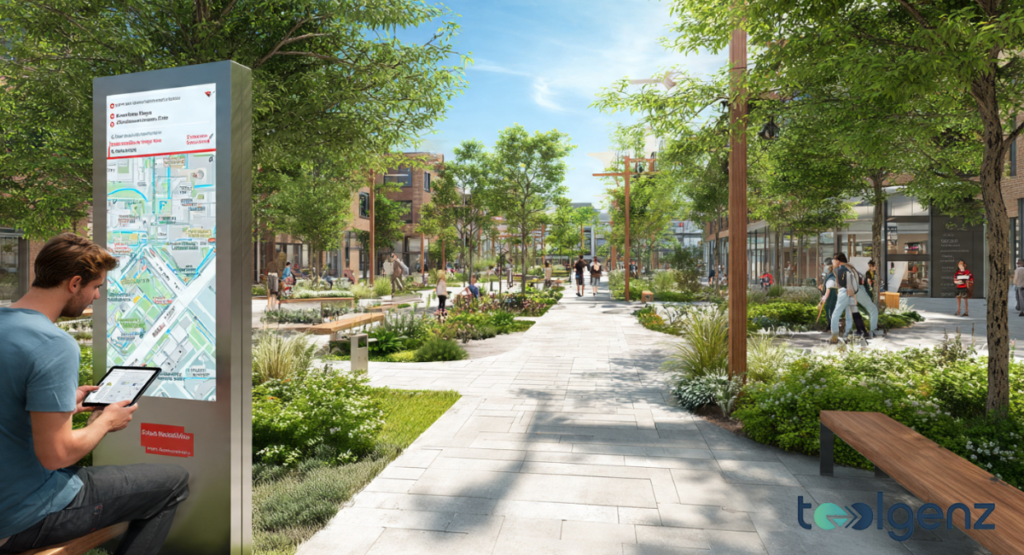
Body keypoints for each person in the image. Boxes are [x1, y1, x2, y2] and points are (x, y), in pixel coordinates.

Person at [0, 234, 189, 555]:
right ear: (75, 283)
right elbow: (57, 455)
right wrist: (106, 422)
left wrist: (63, 404)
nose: (97, 296)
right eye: (96, 286)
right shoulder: (53, 344)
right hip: (20, 517)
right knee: (173, 481)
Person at [828, 253, 855, 344]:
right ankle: (848, 334)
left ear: (838, 261)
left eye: (834, 260)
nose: (832, 262)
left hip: (844, 291)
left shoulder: (838, 270)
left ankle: (834, 336)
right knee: (849, 314)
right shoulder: (850, 268)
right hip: (851, 292)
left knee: (836, 314)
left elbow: (839, 283)